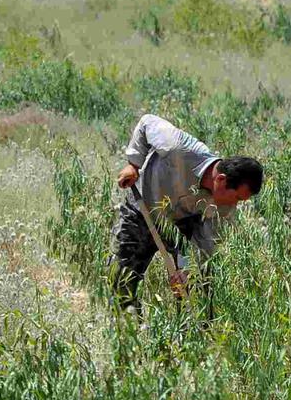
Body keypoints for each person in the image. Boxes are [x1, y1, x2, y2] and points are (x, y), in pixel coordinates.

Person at [111, 112, 264, 310]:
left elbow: (205, 243)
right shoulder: (180, 149)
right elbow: (147, 122)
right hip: (142, 209)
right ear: (221, 180)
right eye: (237, 197)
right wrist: (134, 164)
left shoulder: (222, 207)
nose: (235, 205)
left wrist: (186, 271)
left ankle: (192, 334)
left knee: (197, 286)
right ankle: (128, 326)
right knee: (122, 281)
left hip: (181, 224)